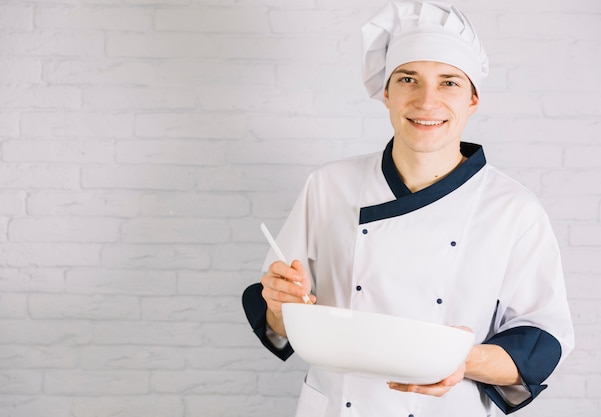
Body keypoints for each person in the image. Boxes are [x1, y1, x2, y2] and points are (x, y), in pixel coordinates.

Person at [242, 1, 575, 416]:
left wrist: (459, 360)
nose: (426, 100)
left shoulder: (513, 210)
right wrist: (278, 304)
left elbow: (541, 341)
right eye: (408, 79)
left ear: (473, 100)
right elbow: (282, 325)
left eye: (449, 82)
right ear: (386, 93)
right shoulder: (328, 185)